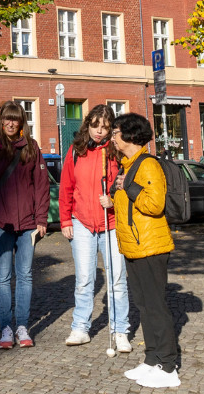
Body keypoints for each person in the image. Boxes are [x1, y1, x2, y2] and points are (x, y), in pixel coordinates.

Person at [110, 113, 182, 388]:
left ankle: (168, 366)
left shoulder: (147, 165)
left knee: (156, 306)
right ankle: (152, 360)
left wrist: (129, 187)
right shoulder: (129, 165)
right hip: (134, 245)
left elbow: (154, 204)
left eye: (116, 132)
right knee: (143, 305)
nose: (113, 137)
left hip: (151, 246)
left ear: (129, 135)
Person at [0, 100, 50, 349]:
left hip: (28, 223)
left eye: (15, 119)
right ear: (1, 120)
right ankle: (6, 328)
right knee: (2, 277)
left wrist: (41, 219)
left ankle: (22, 326)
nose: (10, 122)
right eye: (7, 118)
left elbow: (41, 184)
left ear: (21, 122)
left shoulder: (31, 146)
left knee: (26, 276)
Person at [59, 105, 130, 352]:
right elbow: (66, 187)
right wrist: (65, 220)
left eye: (105, 127)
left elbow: (128, 187)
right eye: (95, 125)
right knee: (84, 280)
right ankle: (80, 327)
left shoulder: (117, 154)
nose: (99, 131)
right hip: (82, 223)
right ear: (87, 125)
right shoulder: (76, 151)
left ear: (111, 129)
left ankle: (120, 329)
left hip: (110, 224)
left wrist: (114, 201)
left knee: (117, 279)